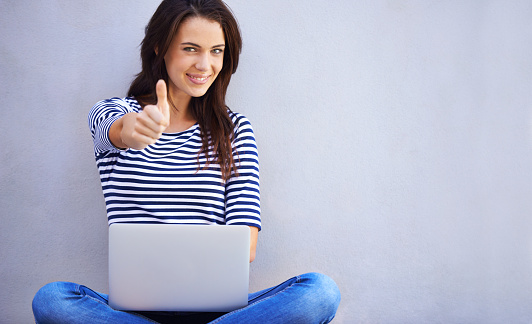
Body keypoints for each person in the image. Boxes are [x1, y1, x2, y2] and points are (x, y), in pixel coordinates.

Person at [32, 0, 341, 323]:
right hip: (136, 311)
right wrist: (135, 130)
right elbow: (118, 132)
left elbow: (244, 246)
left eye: (217, 51)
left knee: (320, 292)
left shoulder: (235, 131)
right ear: (159, 46)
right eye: (191, 48)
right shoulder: (114, 112)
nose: (205, 65)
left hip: (218, 312)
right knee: (53, 299)